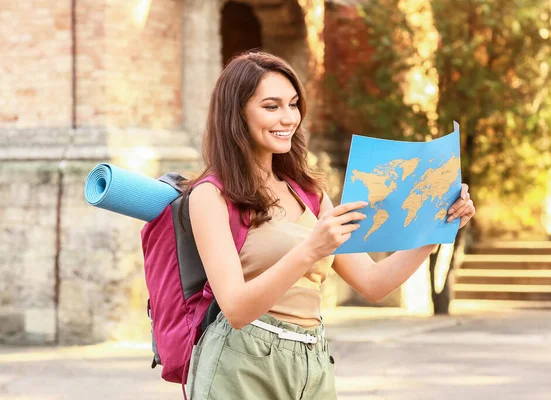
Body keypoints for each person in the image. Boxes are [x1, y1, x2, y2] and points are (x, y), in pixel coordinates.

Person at [183, 51, 476, 400]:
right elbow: (235, 309)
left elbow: (373, 283)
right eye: (271, 106)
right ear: (237, 113)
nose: (288, 117)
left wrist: (436, 229)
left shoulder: (309, 193)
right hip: (242, 363)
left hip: (313, 360)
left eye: (293, 105)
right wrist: (311, 250)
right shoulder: (210, 196)